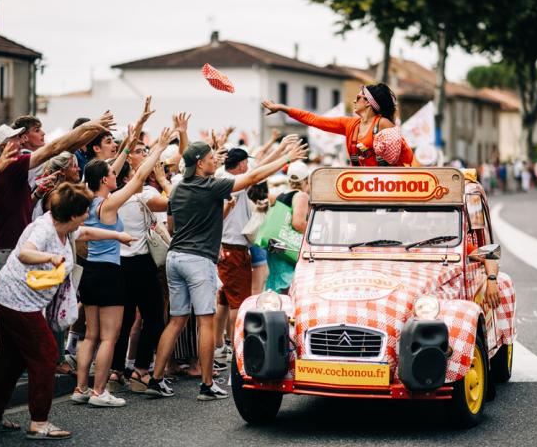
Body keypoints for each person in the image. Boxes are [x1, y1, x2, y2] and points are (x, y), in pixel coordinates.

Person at [145, 139, 308, 400]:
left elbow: (173, 227)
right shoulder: (212, 186)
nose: (215, 160)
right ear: (200, 164)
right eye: (211, 157)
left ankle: (155, 379)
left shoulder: (176, 188)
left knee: (176, 321)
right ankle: (207, 385)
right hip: (198, 260)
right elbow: (253, 175)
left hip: (175, 257)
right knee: (206, 322)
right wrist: (285, 157)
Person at [0, 183, 134, 440]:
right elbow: (26, 253)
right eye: (85, 211)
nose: (88, 215)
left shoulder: (67, 228)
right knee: (47, 354)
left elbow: (85, 232)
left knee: (10, 360)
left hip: (14, 300)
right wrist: (48, 258)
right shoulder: (44, 228)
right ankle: (39, 423)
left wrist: (117, 236)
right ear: (72, 214)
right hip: (16, 303)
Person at [0, 114, 114, 372]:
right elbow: (55, 149)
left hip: (4, 245)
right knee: (22, 304)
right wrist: (86, 128)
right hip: (8, 247)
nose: (21, 140)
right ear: (5, 145)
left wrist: (36, 192)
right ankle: (24, 360)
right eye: (16, 138)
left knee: (5, 305)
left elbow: (16, 201)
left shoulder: (8, 169)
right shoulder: (13, 165)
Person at [73, 127, 173, 407]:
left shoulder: (86, 197)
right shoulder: (108, 204)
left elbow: (109, 170)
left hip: (90, 272)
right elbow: (139, 177)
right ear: (105, 180)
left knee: (90, 335)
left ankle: (81, 388)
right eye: (113, 175)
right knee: (109, 336)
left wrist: (128, 144)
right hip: (108, 273)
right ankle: (99, 392)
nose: (117, 176)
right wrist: (159, 148)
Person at [108, 159, 171, 393]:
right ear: (127, 179)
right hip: (142, 264)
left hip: (117, 263)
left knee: (122, 321)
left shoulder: (109, 201)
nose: (138, 175)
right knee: (153, 318)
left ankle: (115, 370)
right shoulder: (142, 198)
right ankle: (141, 370)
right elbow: (172, 202)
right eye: (134, 172)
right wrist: (163, 181)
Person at [262, 83, 414, 167]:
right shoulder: (349, 125)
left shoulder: (383, 124)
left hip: (387, 187)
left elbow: (407, 156)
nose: (354, 101)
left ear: (368, 102)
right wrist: (283, 108)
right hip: (362, 187)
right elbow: (314, 120)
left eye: (358, 97)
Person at [214, 148, 253, 359]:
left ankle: (219, 345)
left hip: (225, 246)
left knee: (224, 301)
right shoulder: (231, 182)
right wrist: (283, 153)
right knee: (238, 303)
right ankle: (236, 347)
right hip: (234, 249)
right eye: (247, 163)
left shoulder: (221, 177)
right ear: (241, 164)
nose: (248, 167)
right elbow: (258, 175)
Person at [264, 161, 310, 294]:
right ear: (306, 180)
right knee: (289, 290)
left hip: (277, 247)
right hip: (289, 250)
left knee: (276, 289)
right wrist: (313, 232)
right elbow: (298, 223)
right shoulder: (301, 196)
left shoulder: (280, 195)